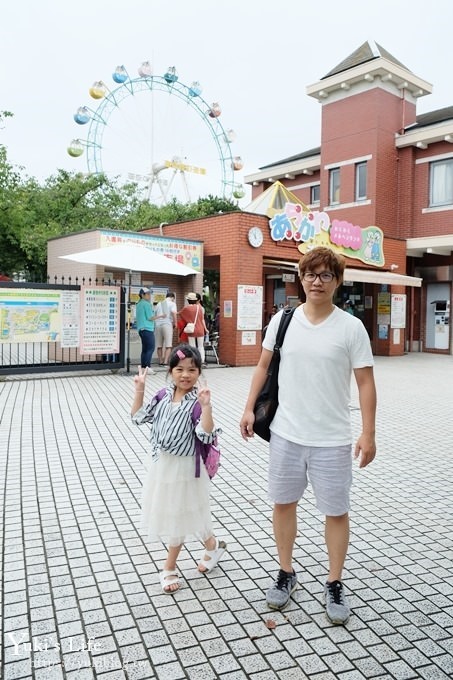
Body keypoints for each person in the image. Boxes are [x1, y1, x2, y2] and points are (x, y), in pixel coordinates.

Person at [239, 246, 376, 624]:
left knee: (336, 511)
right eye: (311, 274)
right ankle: (286, 572)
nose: (317, 281)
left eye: (326, 275)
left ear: (337, 282)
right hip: (286, 433)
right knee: (283, 504)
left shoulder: (351, 328)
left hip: (332, 438)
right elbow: (263, 366)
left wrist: (368, 432)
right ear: (300, 279)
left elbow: (365, 383)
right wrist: (249, 407)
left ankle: (334, 581)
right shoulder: (283, 321)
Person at [131, 344, 227, 593]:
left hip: (186, 469)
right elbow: (138, 417)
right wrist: (140, 390)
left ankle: (169, 568)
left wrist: (207, 407)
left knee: (178, 515)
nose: (185, 375)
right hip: (162, 466)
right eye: (180, 369)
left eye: (192, 370)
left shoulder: (196, 403)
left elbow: (206, 435)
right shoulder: (162, 396)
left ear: (199, 373)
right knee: (189, 513)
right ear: (170, 371)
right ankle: (213, 546)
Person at [135, 288, 163, 373]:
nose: (149, 296)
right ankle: (147, 368)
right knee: (150, 348)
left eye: (149, 294)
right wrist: (161, 316)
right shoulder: (146, 304)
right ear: (142, 295)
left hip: (141, 329)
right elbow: (150, 317)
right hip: (147, 329)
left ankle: (143, 368)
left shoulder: (138, 304)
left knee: (145, 349)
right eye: (147, 294)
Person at [178, 293, 207, 366]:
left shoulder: (187, 308)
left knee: (192, 346)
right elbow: (202, 319)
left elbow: (180, 314)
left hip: (192, 329)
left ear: (188, 300)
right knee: (201, 346)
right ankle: (202, 361)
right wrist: (205, 329)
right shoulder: (201, 308)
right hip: (200, 329)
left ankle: (194, 361)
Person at [155, 292, 177, 366]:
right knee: (168, 345)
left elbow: (155, 314)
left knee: (159, 345)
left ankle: (160, 361)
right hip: (167, 324)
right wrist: (175, 323)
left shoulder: (159, 303)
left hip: (158, 325)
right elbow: (174, 313)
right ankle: (165, 362)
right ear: (172, 297)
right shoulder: (172, 303)